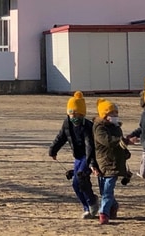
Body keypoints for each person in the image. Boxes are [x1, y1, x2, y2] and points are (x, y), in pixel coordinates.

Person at [48, 91, 100, 220]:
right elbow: (61, 137)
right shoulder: (67, 124)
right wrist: (53, 150)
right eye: (72, 114)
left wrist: (92, 163)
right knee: (75, 184)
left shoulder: (88, 126)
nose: (74, 116)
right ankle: (87, 206)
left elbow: (90, 146)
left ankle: (92, 203)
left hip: (88, 156)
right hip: (77, 157)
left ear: (83, 114)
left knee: (80, 179)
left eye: (77, 114)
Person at [92, 98, 130, 225]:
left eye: (116, 113)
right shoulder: (99, 128)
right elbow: (107, 141)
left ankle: (103, 213)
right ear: (104, 115)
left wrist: (125, 152)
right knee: (104, 191)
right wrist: (122, 141)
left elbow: (119, 145)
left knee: (108, 190)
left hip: (114, 163)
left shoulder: (117, 127)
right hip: (103, 162)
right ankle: (113, 205)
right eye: (112, 114)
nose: (115, 116)